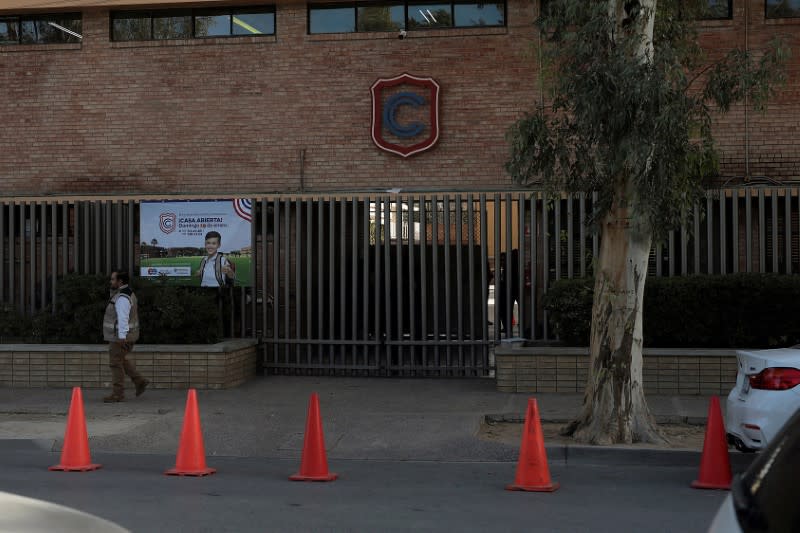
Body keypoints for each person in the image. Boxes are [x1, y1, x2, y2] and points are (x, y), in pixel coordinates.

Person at [103, 270, 148, 402]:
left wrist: (122, 337)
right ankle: (139, 381)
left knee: (115, 363)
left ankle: (118, 394)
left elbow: (123, 318)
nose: (110, 282)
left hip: (120, 337)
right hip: (125, 336)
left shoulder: (122, 298)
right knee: (120, 360)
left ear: (120, 281)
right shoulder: (126, 293)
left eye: (113, 279)